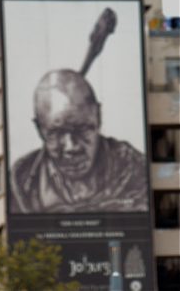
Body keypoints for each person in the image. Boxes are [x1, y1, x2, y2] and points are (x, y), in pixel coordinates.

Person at [11, 69, 148, 213]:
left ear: (98, 117)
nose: (72, 147)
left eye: (82, 129)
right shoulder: (20, 182)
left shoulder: (134, 169)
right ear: (39, 129)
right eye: (56, 133)